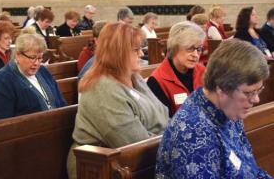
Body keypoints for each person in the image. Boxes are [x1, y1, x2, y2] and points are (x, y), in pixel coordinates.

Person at [155, 39, 271, 178]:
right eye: (249, 93)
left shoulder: (228, 110)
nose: (256, 99)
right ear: (221, 88)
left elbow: (251, 170)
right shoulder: (193, 137)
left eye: (258, 91)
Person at [67, 22, 169, 179]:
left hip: (139, 159)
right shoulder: (102, 87)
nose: (142, 54)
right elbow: (132, 142)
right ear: (118, 53)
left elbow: (162, 111)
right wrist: (170, 139)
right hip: (99, 167)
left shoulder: (133, 76)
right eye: (136, 50)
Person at [0, 31, 67, 121]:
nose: (36, 63)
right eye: (32, 57)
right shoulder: (1, 81)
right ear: (18, 55)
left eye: (40, 58)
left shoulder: (43, 71)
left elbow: (61, 102)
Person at [147, 21, 206, 117]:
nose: (195, 55)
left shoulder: (203, 72)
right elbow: (161, 124)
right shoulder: (157, 81)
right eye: (190, 48)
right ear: (174, 47)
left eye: (199, 49)